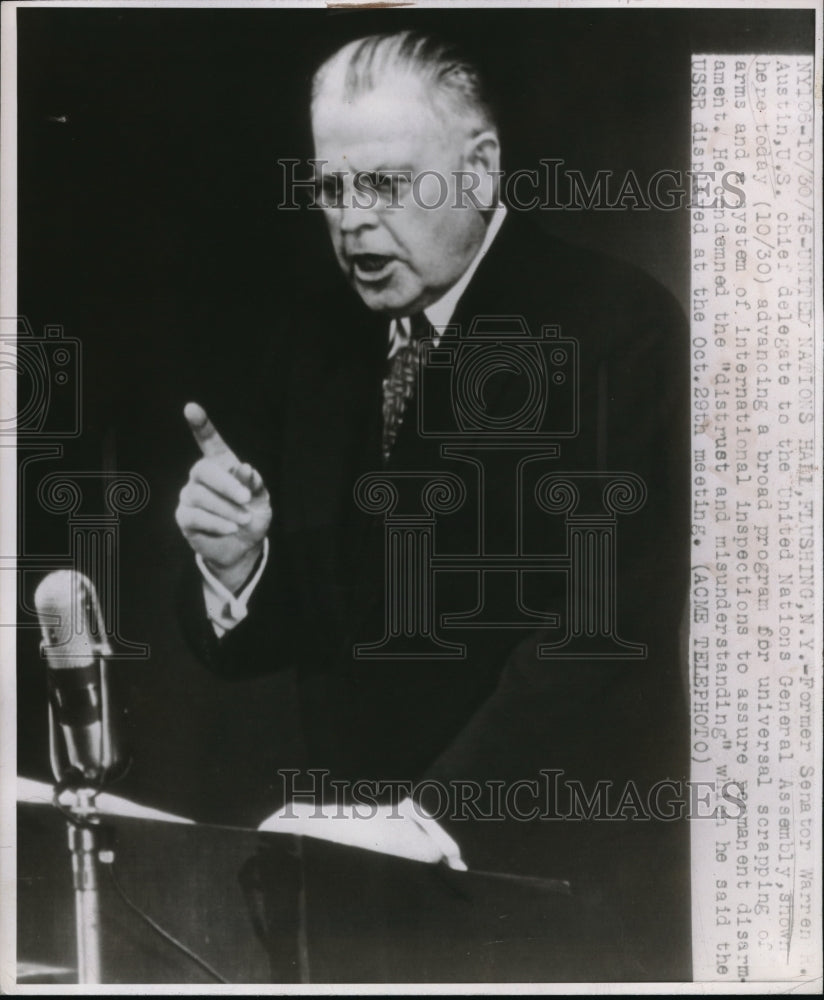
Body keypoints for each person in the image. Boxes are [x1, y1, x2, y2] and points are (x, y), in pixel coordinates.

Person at [175, 30, 691, 981]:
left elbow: (605, 625)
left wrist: (432, 815)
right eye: (333, 190)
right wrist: (242, 563)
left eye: (386, 186)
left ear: (481, 167)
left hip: (541, 898)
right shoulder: (317, 344)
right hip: (348, 902)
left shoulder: (617, 324)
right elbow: (339, 622)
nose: (353, 226)